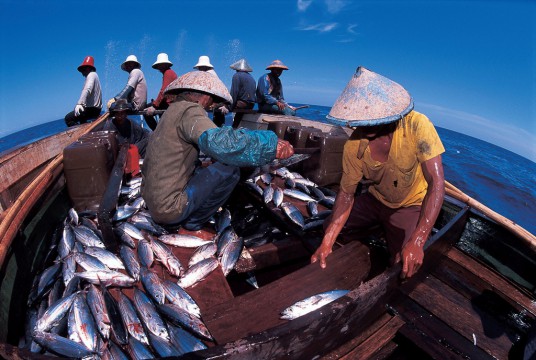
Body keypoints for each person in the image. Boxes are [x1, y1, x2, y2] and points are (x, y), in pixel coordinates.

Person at [310, 66, 445, 280]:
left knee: (405, 262)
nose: (366, 124)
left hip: (409, 204)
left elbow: (437, 184)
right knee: (328, 228)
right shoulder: (354, 146)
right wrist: (327, 241)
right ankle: (366, 244)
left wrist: (418, 240)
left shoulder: (417, 125)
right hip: (375, 199)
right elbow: (346, 194)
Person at [141, 71, 294, 232]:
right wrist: (269, 145)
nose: (210, 106)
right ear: (204, 96)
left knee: (210, 166)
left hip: (153, 200)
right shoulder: (191, 110)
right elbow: (221, 142)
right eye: (212, 100)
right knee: (231, 170)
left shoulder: (172, 110)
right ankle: (193, 224)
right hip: (169, 209)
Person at [65, 56, 102, 127]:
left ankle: (78, 133)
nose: (82, 72)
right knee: (81, 118)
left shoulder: (91, 75)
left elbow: (87, 89)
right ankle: (85, 126)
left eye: (84, 69)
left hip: (92, 109)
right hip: (96, 109)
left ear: (89, 68)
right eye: (82, 70)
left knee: (68, 118)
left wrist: (80, 103)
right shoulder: (95, 76)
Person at [144, 53, 178, 130]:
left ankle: (157, 131)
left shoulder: (168, 73)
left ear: (165, 65)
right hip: (168, 102)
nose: (159, 67)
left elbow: (163, 91)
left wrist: (155, 105)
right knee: (147, 107)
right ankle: (158, 130)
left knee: (146, 111)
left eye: (160, 65)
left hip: (169, 103)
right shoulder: (169, 73)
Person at [228, 59, 257, 128]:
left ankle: (220, 128)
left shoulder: (237, 75)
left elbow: (234, 93)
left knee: (219, 107)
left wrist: (229, 107)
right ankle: (234, 127)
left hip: (242, 104)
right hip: (251, 105)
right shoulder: (251, 77)